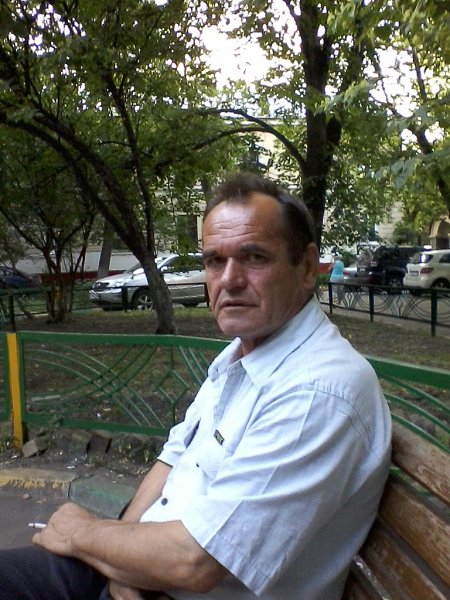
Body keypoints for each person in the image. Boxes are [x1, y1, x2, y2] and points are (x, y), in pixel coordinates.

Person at [0, 172, 391, 600]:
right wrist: (119, 559)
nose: (229, 279)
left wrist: (83, 534)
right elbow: (173, 458)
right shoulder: (242, 356)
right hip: (141, 571)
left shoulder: (318, 391)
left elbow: (195, 562)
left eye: (254, 257)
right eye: (214, 261)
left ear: (307, 267)